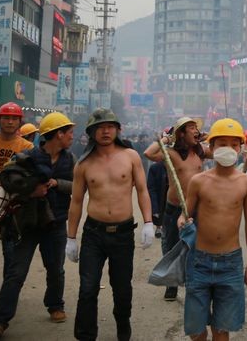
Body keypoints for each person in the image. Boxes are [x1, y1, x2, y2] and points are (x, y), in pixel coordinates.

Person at [67, 109, 154, 341]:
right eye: (100, 127)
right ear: (91, 132)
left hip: (123, 234)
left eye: (110, 126)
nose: (105, 131)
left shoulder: (131, 156)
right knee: (88, 288)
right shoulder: (83, 164)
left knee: (122, 288)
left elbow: (142, 190)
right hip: (93, 233)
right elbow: (76, 202)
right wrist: (71, 238)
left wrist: (148, 222)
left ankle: (123, 324)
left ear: (117, 129)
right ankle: (85, 335)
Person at [0, 112, 75, 339]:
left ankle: (55, 305)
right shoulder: (27, 156)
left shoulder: (70, 159)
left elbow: (78, 186)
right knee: (16, 272)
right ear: (58, 134)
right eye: (69, 132)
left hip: (56, 223)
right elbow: (7, 178)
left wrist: (57, 183)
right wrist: (31, 190)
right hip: (27, 223)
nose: (72, 136)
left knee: (56, 269)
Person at [178, 118, 247, 341]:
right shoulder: (198, 181)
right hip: (199, 262)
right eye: (222, 143)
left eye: (234, 144)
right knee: (196, 331)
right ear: (211, 147)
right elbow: (185, 212)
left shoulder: (246, 183)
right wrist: (182, 220)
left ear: (241, 148)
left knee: (222, 330)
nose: (228, 148)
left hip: (231, 264)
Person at [144, 117, 210, 301]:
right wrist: (167, 138)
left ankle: (194, 284)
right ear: (181, 133)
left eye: (197, 128)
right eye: (191, 128)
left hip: (196, 208)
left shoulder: (200, 151)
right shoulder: (171, 154)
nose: (196, 130)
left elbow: (222, 153)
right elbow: (149, 153)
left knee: (197, 246)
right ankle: (171, 284)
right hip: (174, 207)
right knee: (171, 245)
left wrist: (209, 138)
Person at [0, 103, 33, 172]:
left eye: (15, 119)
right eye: (6, 118)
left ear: (20, 122)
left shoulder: (27, 146)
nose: (10, 122)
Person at [146, 161, 168, 238]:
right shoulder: (155, 168)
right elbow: (151, 189)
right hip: (160, 193)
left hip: (172, 196)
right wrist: (154, 208)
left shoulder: (179, 165)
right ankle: (159, 227)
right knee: (158, 209)